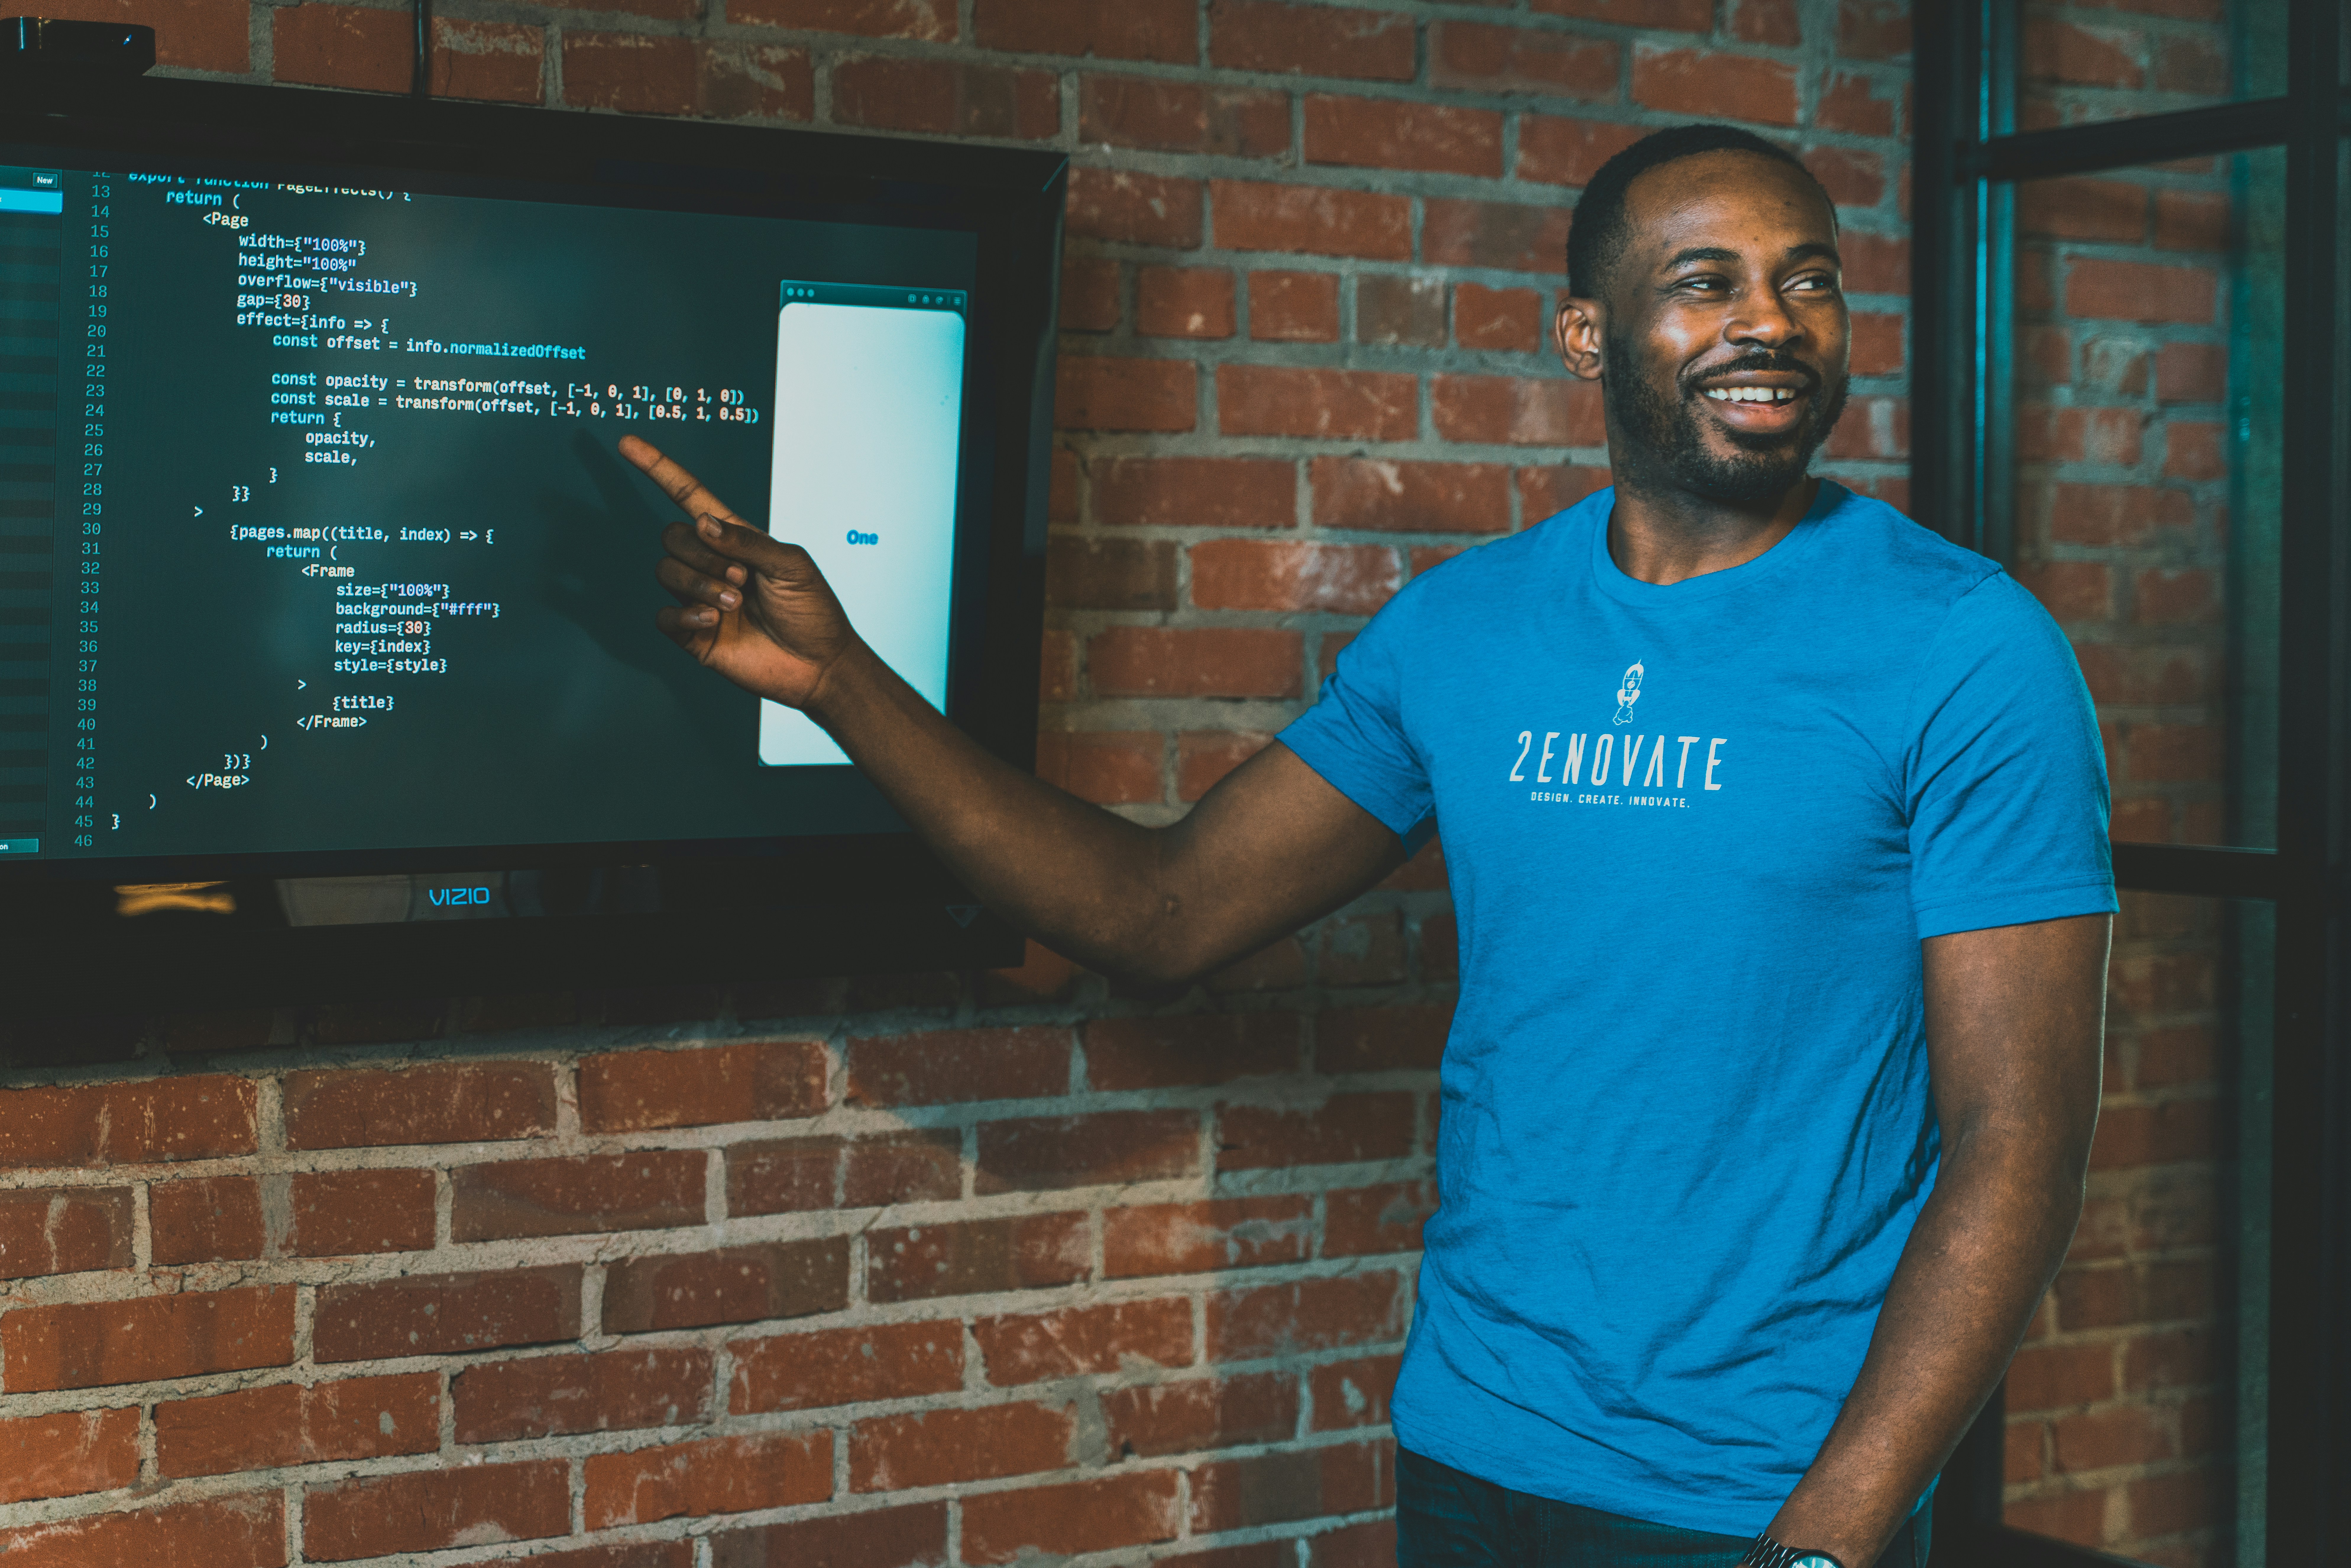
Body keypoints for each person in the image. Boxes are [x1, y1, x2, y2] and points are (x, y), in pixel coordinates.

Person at [621, 122, 2114, 1568]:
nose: (1768, 321)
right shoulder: (1464, 630)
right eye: (1703, 282)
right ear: (1585, 336)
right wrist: (839, 682)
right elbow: (1158, 912)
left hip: (1760, 1493)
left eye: (1807, 279)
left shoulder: (1962, 649)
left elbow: (2015, 1151)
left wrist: (1824, 1543)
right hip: (1472, 1448)